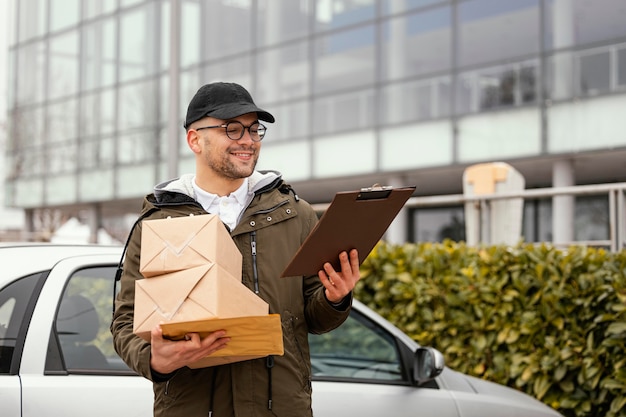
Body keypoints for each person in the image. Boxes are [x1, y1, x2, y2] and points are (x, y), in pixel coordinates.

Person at [111, 81, 360, 417]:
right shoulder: (157, 221)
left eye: (254, 129)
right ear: (195, 139)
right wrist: (153, 359)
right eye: (232, 129)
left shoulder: (294, 214)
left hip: (279, 409)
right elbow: (126, 322)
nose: (248, 140)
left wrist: (335, 298)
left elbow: (313, 319)